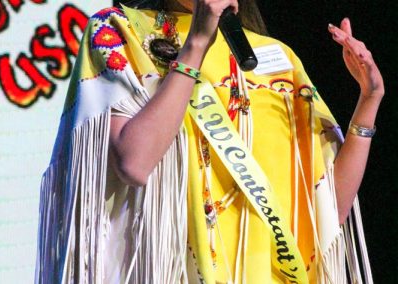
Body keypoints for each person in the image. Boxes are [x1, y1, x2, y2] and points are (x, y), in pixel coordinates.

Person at [35, 0, 384, 283]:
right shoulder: (120, 30)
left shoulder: (278, 59)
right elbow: (133, 162)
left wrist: (368, 103)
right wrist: (197, 44)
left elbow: (329, 208)